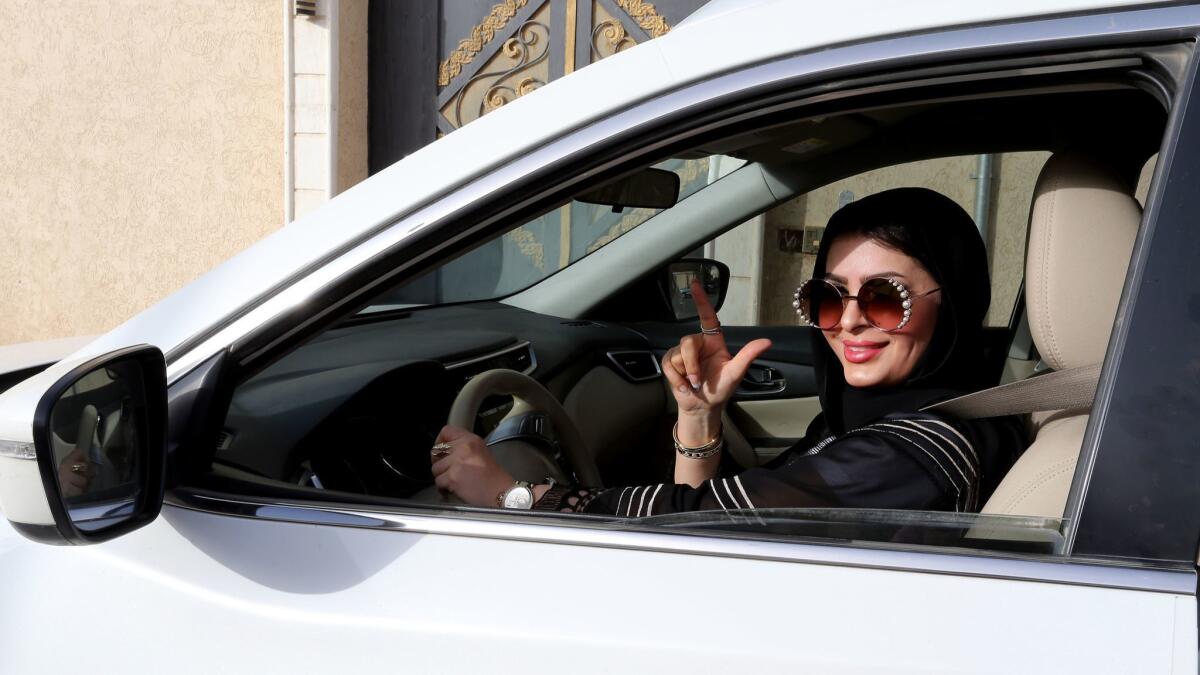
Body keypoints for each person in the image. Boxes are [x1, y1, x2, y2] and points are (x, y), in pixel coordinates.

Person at [429, 187, 1025, 515]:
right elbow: (713, 518)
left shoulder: (917, 452)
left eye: (883, 298)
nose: (847, 324)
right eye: (826, 297)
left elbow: (696, 519)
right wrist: (699, 415)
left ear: (953, 300)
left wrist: (509, 494)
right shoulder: (877, 419)